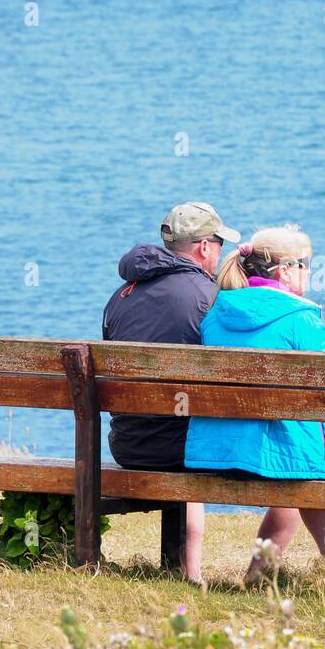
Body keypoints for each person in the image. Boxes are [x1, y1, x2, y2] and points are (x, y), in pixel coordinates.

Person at [182, 224, 325, 581]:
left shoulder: (215, 314)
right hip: (277, 449)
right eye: (304, 264)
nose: (310, 271)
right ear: (285, 270)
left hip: (222, 449)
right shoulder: (298, 317)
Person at [101, 202, 240, 584]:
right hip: (181, 449)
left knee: (184, 424)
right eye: (219, 245)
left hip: (128, 445)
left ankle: (187, 570)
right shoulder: (209, 297)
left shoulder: (122, 296)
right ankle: (191, 571)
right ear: (205, 247)